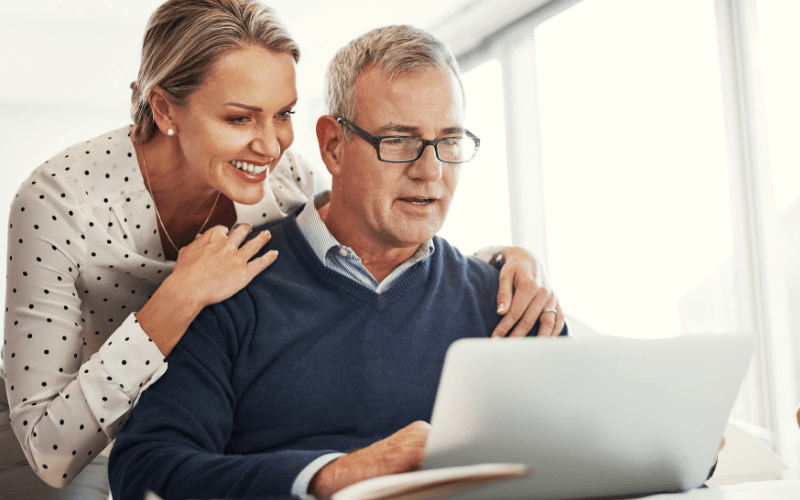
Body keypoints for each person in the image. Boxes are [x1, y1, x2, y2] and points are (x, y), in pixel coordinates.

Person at [0, 1, 562, 498]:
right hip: (68, 438)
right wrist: (180, 297)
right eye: (239, 117)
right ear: (166, 110)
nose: (269, 144)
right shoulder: (59, 202)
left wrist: (502, 262)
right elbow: (64, 455)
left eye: (283, 114)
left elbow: (366, 220)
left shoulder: (281, 175)